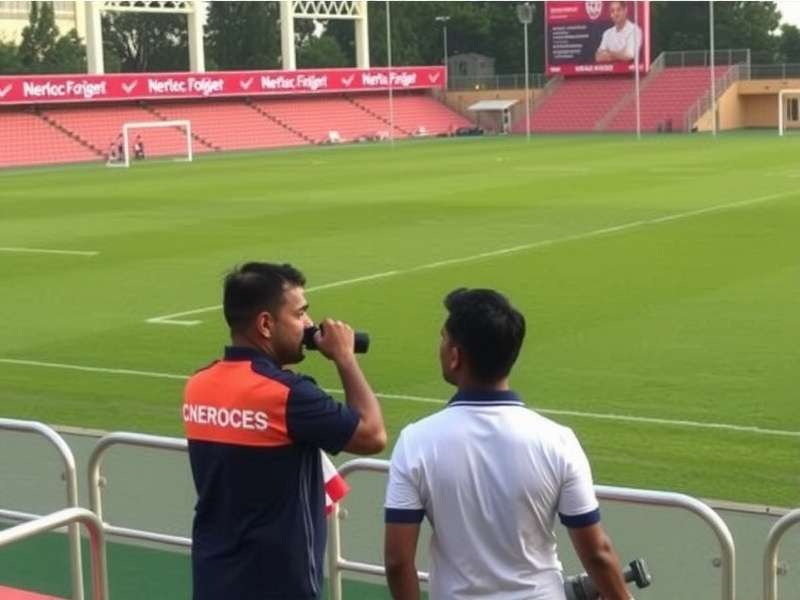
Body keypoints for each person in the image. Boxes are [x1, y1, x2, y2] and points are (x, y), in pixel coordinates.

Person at [384, 288, 632, 600]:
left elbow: (397, 561)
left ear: (456, 355)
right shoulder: (558, 440)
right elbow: (597, 552)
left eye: (443, 338)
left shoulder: (415, 441)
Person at [183, 262, 386, 600]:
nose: (309, 324)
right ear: (265, 324)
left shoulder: (198, 385)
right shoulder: (289, 396)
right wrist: (345, 359)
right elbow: (372, 434)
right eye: (300, 314)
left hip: (214, 577)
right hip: (278, 585)